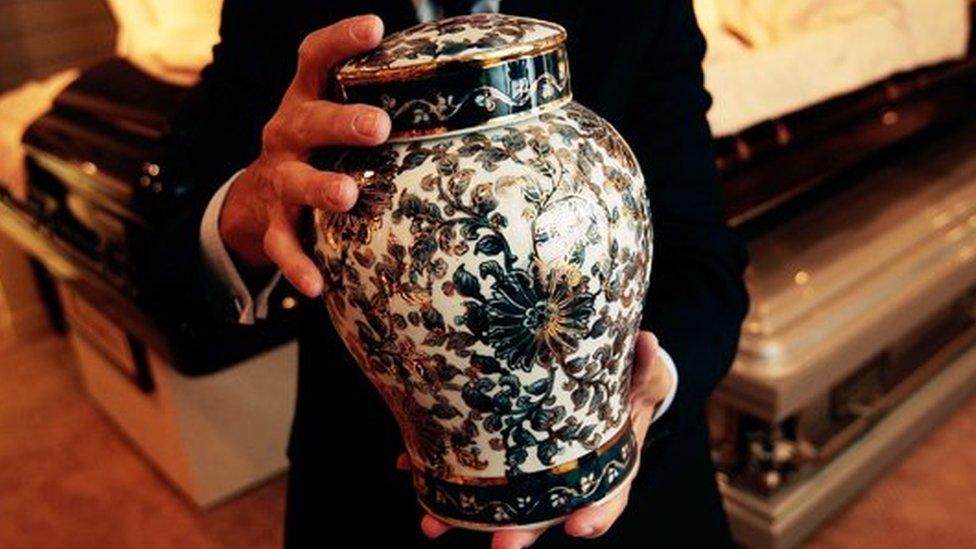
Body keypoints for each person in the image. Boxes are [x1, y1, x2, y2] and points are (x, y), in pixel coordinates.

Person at [166, 1, 749, 547]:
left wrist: (646, 383)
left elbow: (704, 254)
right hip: (366, 489)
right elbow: (165, 243)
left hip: (636, 492)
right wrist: (248, 208)